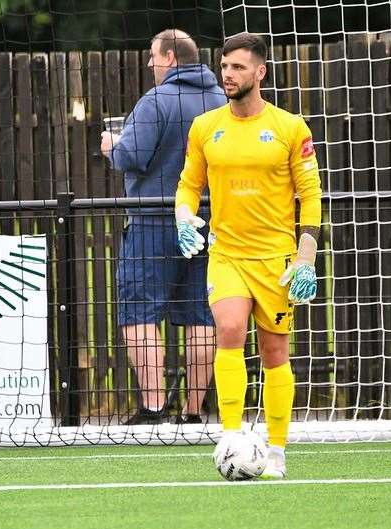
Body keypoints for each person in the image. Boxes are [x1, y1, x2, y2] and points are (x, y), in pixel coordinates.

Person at [175, 32, 322, 478]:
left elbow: (310, 195)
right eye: (224, 66)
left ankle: (276, 451)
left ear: (259, 72)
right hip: (228, 255)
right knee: (230, 329)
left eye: (238, 67)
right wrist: (183, 217)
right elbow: (188, 184)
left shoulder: (290, 127)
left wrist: (306, 259)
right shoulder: (205, 127)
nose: (228, 74)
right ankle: (231, 435)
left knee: (275, 352)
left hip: (276, 260)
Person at [101, 29, 226, 424]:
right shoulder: (222, 101)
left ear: (170, 58)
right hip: (208, 223)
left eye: (153, 56)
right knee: (201, 316)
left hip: (154, 221)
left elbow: (132, 156)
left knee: (139, 312)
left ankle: (153, 408)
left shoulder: (156, 101)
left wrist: (111, 146)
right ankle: (192, 411)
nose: (150, 64)